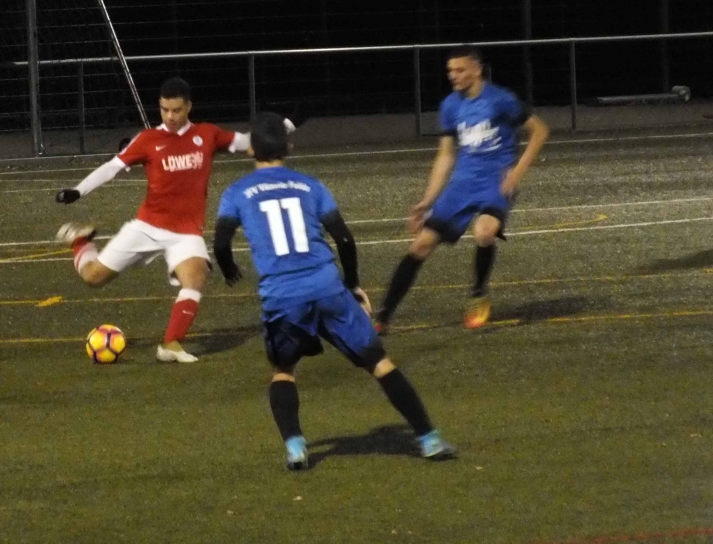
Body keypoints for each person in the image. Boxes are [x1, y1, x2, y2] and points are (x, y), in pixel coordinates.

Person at [213, 112, 455, 470]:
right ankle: (429, 439)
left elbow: (221, 241)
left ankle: (296, 447)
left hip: (283, 296)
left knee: (284, 369)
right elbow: (343, 238)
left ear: (251, 150)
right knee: (379, 363)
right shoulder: (311, 186)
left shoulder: (236, 192)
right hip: (327, 287)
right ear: (289, 147)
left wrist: (229, 268)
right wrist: (353, 284)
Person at [54, 76, 295, 363]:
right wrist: (78, 190)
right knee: (93, 277)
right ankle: (80, 242)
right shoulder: (148, 139)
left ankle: (171, 345)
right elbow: (112, 167)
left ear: (189, 106)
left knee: (196, 276)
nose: (170, 116)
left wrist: (285, 126)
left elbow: (249, 141)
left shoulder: (207, 134)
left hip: (186, 233)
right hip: (146, 227)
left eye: (177, 110)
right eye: (165, 110)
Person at [374, 46, 550, 333]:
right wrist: (427, 200)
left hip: (494, 182)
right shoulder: (450, 106)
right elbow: (445, 155)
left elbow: (540, 130)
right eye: (450, 71)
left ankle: (478, 293)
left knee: (484, 232)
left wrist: (516, 173)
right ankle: (383, 316)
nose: (453, 76)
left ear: (477, 69)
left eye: (460, 70)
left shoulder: (501, 99)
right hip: (462, 184)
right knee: (420, 245)